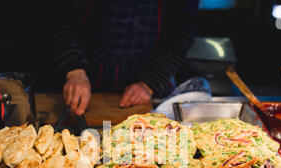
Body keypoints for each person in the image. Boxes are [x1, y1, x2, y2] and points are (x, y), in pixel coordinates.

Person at [53, 0, 199, 115]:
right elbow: (60, 20)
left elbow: (181, 35)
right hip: (87, 73)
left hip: (153, 75)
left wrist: (150, 82)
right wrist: (74, 69)